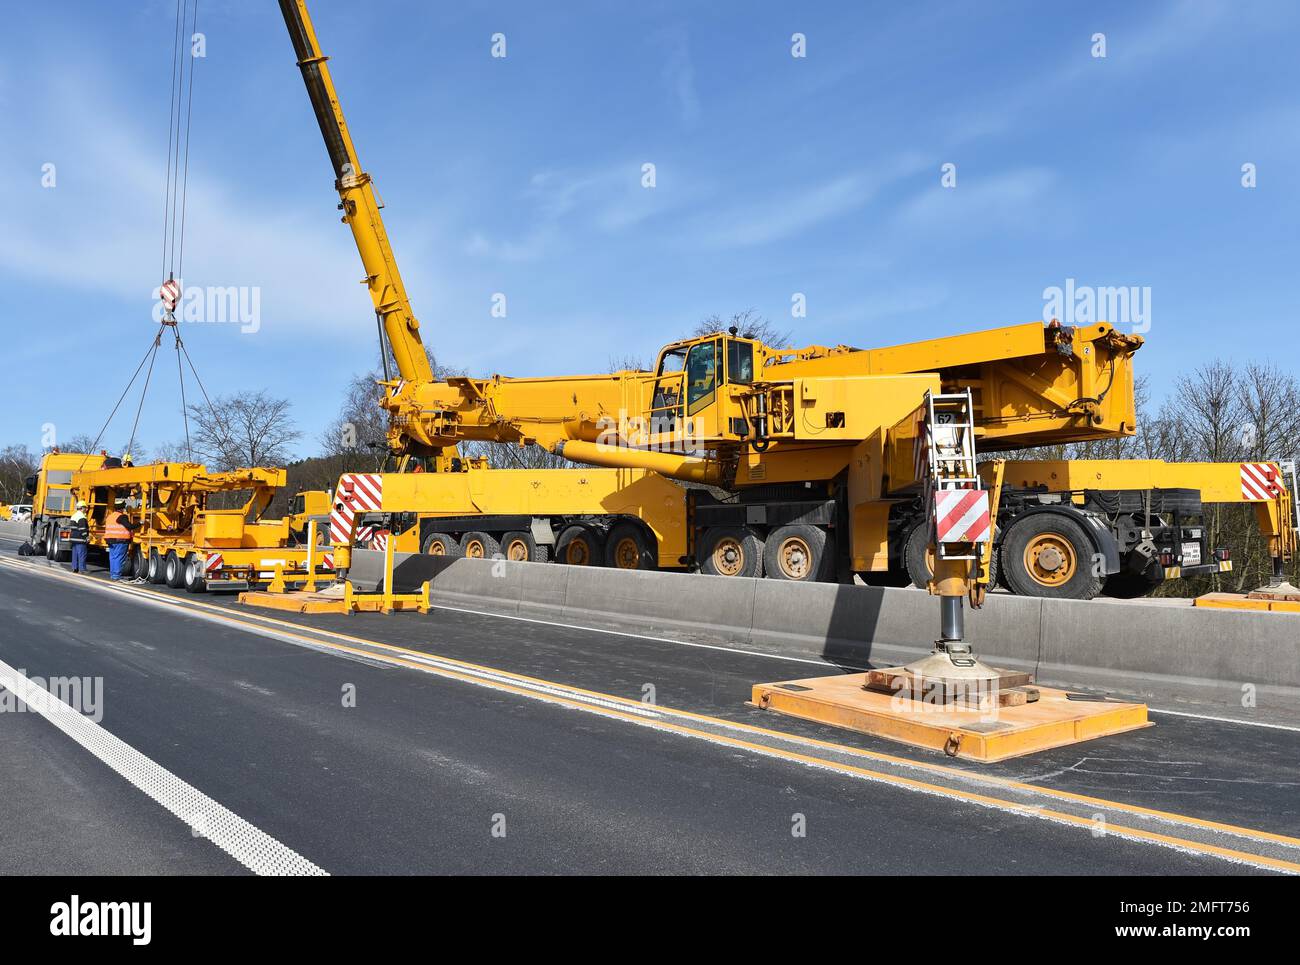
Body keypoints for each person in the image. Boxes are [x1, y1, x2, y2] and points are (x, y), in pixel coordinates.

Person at [104, 497, 140, 580]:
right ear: (121, 508)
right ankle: (116, 576)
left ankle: (113, 575)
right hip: (120, 540)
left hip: (111, 540)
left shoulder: (110, 516)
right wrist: (139, 523)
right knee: (119, 558)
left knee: (113, 557)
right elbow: (129, 526)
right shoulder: (122, 517)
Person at [68, 501, 91, 574]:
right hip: (80, 538)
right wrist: (86, 537)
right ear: (82, 508)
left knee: (75, 554)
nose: (86, 509)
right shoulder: (81, 516)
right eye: (85, 508)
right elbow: (83, 528)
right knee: (82, 554)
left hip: (73, 538)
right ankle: (82, 569)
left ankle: (75, 568)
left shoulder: (74, 515)